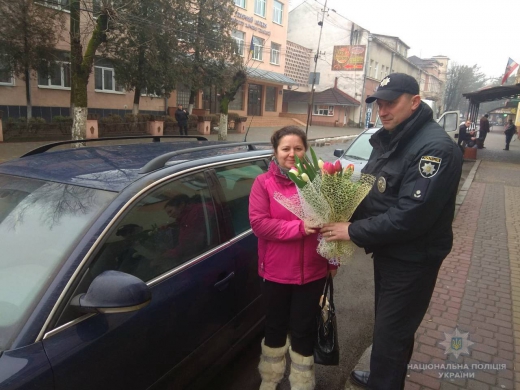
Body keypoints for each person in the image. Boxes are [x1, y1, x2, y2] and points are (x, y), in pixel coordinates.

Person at [320, 73, 462, 390]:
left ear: (414, 102)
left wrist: (352, 230)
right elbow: (372, 194)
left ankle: (385, 381)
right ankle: (386, 374)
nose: (383, 111)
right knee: (391, 331)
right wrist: (336, 208)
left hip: (413, 260)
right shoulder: (391, 138)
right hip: (391, 253)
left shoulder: (434, 149)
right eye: (379, 104)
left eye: (391, 103)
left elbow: (411, 217)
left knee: (390, 334)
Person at [249, 126, 337, 390]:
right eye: (285, 148)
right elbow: (259, 224)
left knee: (303, 330)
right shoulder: (263, 183)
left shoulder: (319, 182)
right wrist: (299, 228)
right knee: (274, 327)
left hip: (312, 272)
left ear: (305, 150)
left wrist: (333, 261)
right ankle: (270, 378)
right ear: (275, 152)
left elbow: (333, 223)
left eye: (298, 148)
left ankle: (301, 382)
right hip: (275, 272)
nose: (292, 154)